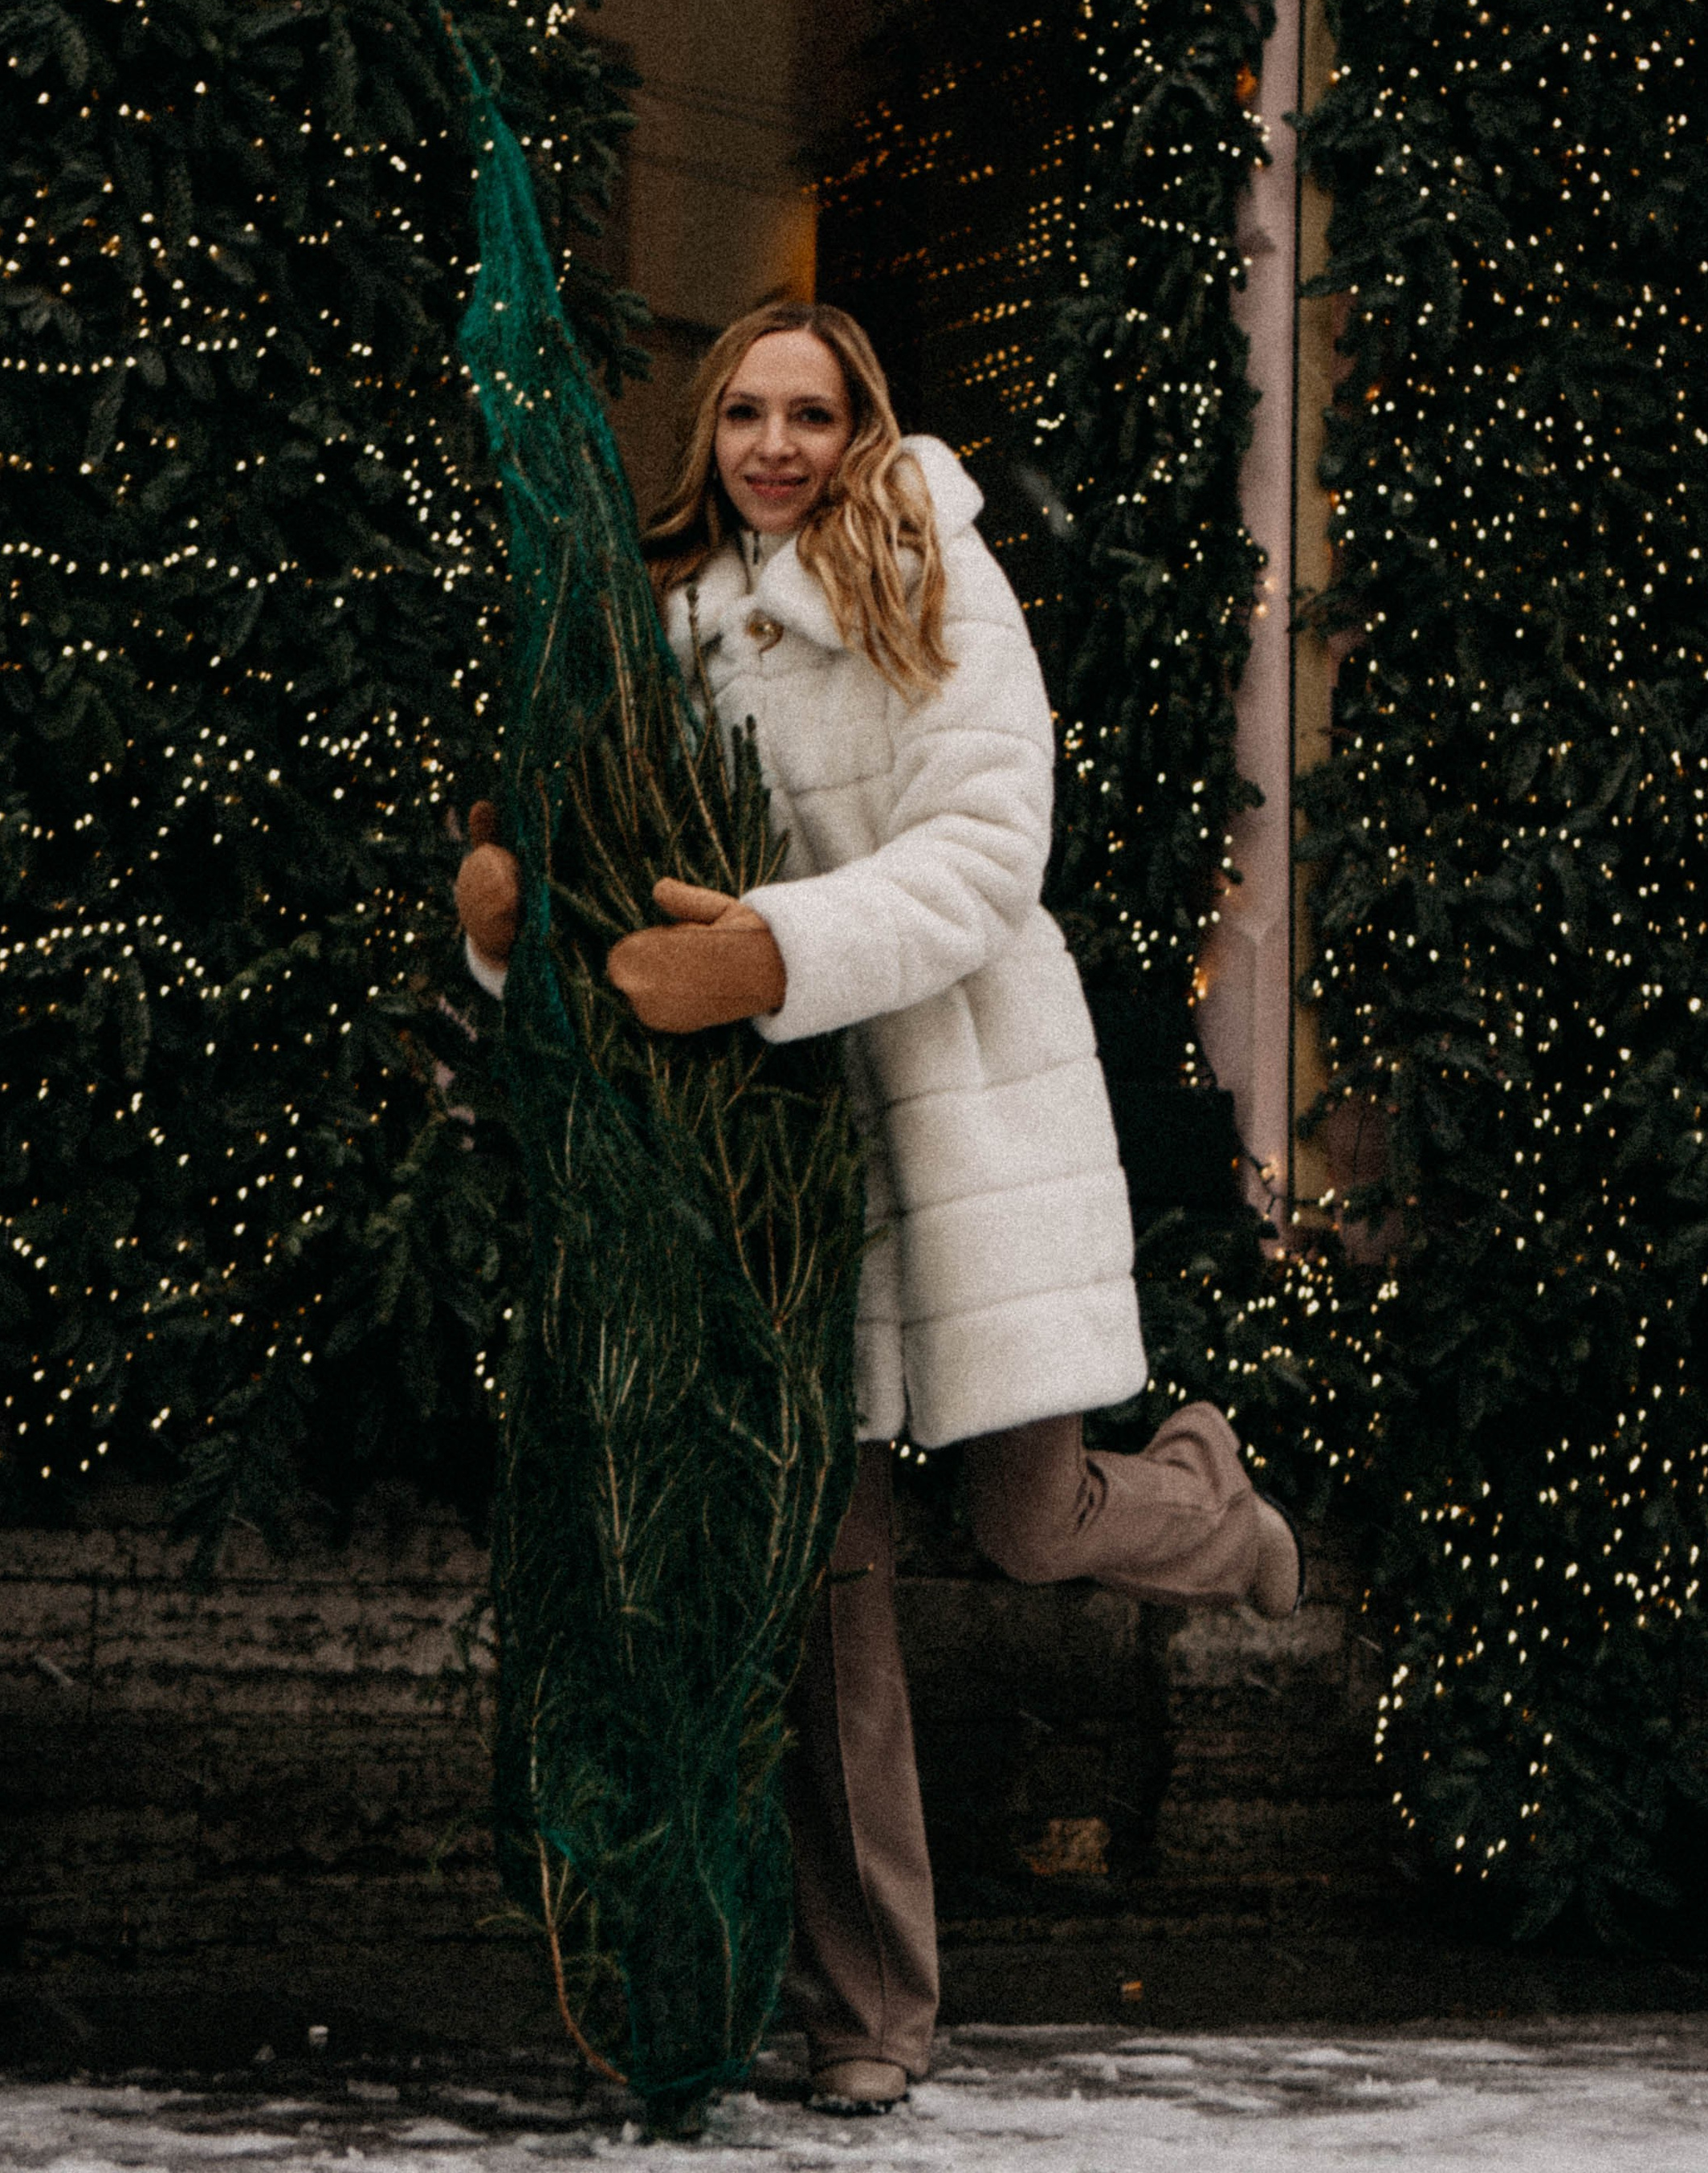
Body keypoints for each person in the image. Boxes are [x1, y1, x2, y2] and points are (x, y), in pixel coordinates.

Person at [453, 299, 1301, 2116]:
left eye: (809, 411)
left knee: (1026, 1522)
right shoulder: (667, 623)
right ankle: (871, 2019)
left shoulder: (927, 567)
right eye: (745, 411)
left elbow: (991, 852)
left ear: (860, 424)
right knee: (826, 1590)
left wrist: (780, 947)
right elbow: (612, 848)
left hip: (955, 1112)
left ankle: (1206, 1503)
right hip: (770, 1161)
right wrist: (515, 916)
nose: (775, 443)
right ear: (709, 431)